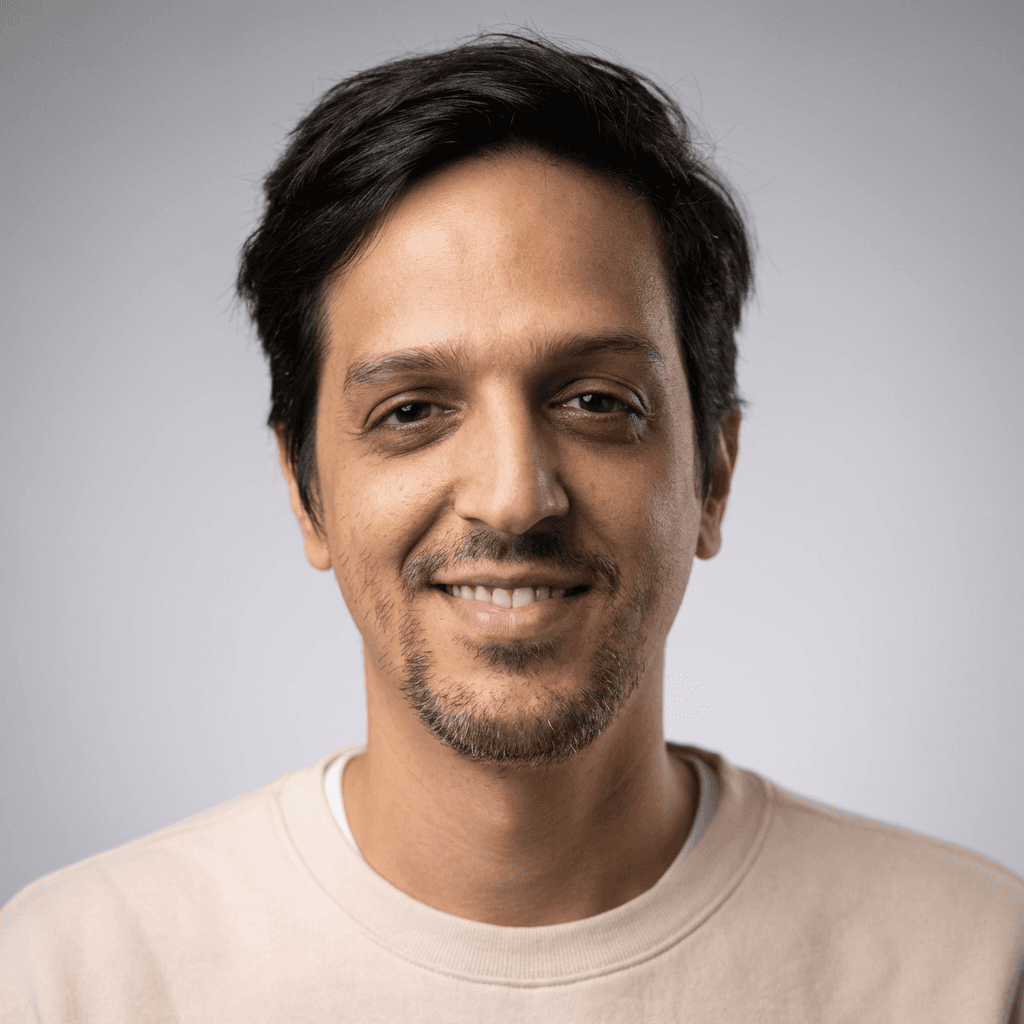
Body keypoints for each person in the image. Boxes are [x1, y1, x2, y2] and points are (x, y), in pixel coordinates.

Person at [2, 32, 1021, 1023]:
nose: (513, 497)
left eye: (596, 401)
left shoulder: (973, 967)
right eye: (410, 410)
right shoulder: (71, 980)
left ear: (712, 475)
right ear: (305, 491)